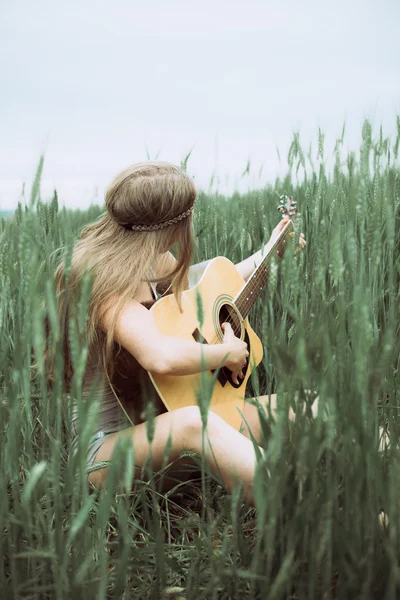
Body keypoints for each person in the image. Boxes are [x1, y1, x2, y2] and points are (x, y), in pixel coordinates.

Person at [46, 161, 310, 506]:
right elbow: (159, 355)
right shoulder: (104, 282)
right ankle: (309, 517)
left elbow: (210, 287)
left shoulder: (153, 258)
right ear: (174, 226)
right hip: (109, 457)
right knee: (193, 421)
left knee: (309, 405)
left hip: (169, 427)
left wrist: (269, 253)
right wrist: (226, 354)